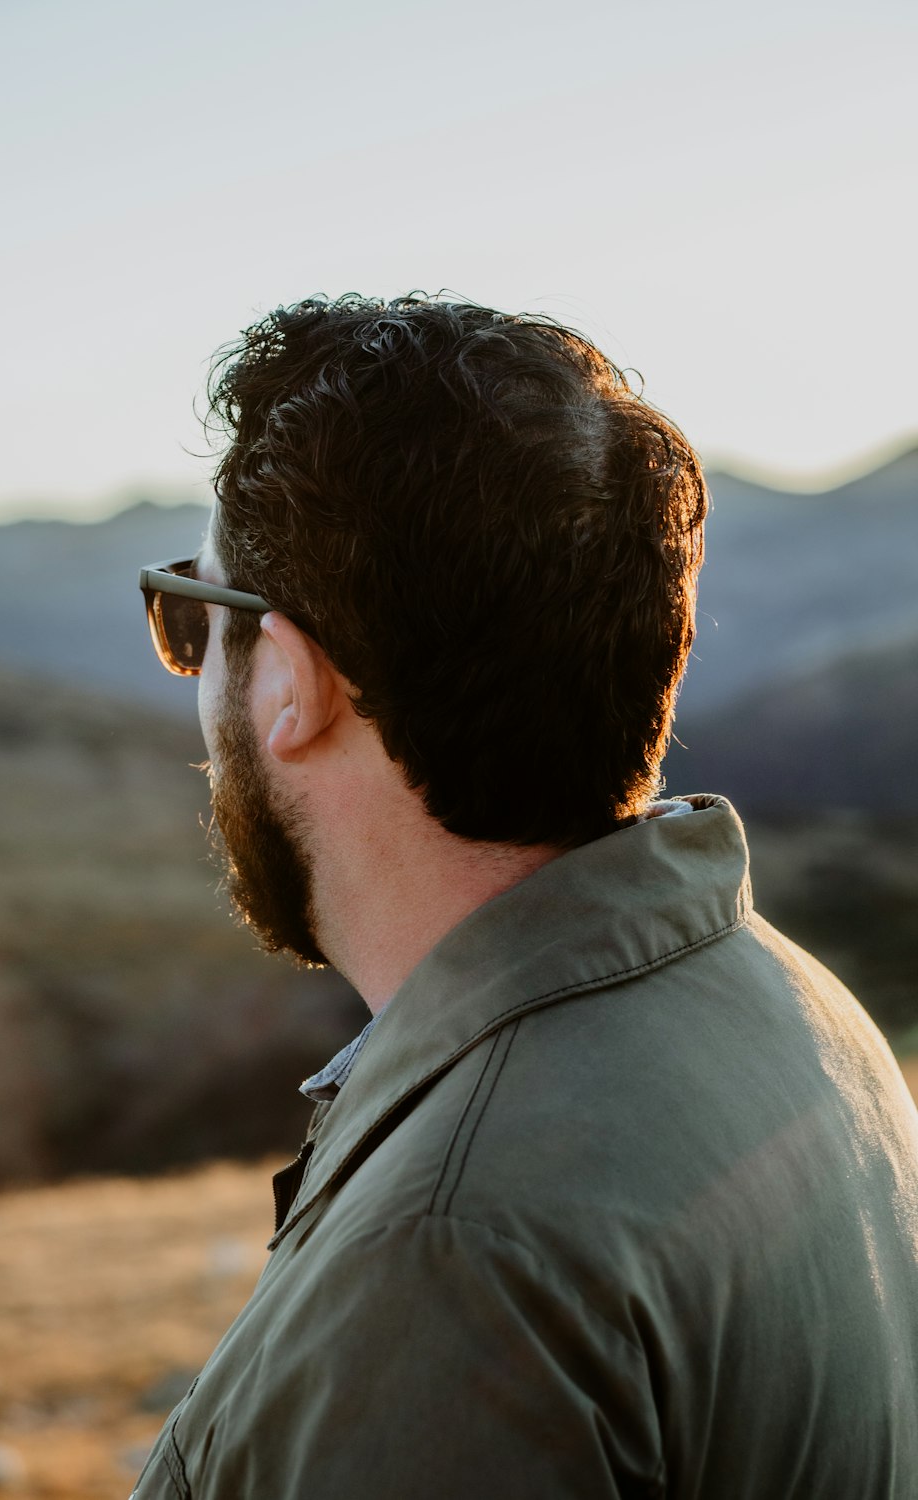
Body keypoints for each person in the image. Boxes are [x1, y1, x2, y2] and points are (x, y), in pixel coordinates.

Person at [133, 294, 918, 1499]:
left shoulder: (444, 1268)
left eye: (199, 618)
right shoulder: (780, 997)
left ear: (289, 680)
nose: (199, 677)